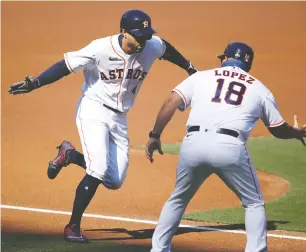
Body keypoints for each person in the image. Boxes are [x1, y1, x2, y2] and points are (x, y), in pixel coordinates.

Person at [8, 9, 197, 243]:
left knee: (114, 180)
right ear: (124, 32)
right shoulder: (99, 49)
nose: (143, 41)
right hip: (93, 109)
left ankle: (69, 155)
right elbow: (65, 66)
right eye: (138, 36)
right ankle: (73, 227)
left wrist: (189, 67)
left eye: (146, 35)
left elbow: (166, 48)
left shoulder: (151, 45)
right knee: (97, 169)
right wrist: (36, 83)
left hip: (120, 118)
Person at [145, 41, 306, 252]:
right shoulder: (260, 88)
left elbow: (171, 101)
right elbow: (278, 129)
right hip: (230, 147)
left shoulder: (200, 77)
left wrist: (155, 135)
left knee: (178, 198)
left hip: (193, 144)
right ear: (248, 64)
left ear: (225, 59)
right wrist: (295, 133)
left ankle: (158, 249)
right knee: (253, 203)